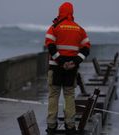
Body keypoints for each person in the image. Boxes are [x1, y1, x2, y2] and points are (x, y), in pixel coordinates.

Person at [45, 2, 91, 135]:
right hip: (71, 68)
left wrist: (60, 61)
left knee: (53, 96)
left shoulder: (54, 27)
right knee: (69, 96)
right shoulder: (79, 29)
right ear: (72, 12)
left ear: (60, 12)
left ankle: (51, 126)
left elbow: (50, 46)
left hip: (55, 68)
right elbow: (86, 48)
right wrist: (75, 61)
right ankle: (70, 126)